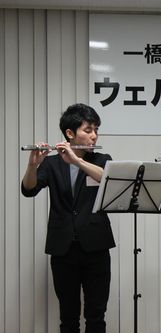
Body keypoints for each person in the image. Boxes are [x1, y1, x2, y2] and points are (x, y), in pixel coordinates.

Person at [21, 103, 115, 333]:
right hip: (62, 248)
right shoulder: (52, 163)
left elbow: (107, 180)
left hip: (96, 246)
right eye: (88, 130)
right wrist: (33, 166)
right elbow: (28, 189)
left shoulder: (101, 159)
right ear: (70, 134)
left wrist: (77, 160)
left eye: (96, 130)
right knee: (68, 317)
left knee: (96, 316)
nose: (94, 136)